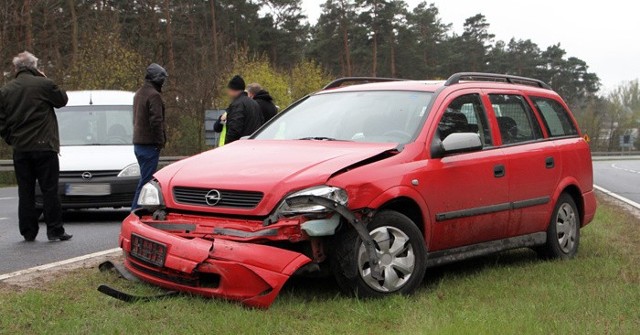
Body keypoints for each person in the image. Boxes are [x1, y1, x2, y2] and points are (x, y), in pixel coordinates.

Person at [0, 51, 71, 241]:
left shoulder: (6, 90)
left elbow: (2, 121)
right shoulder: (44, 85)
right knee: (49, 190)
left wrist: (12, 139)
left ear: (16, 68)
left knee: (25, 191)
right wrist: (46, 79)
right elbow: (62, 100)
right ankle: (55, 230)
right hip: (45, 146)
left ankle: (28, 232)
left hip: (21, 148)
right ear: (35, 67)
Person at [131, 63, 168, 210]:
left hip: (138, 144)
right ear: (157, 79)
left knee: (144, 179)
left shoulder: (139, 93)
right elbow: (156, 121)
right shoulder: (154, 95)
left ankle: (140, 211)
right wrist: (160, 141)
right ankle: (135, 212)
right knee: (146, 182)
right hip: (149, 144)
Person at [223, 75, 263, 145]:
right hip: (254, 145)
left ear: (233, 90)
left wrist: (227, 146)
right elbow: (261, 122)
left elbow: (234, 129)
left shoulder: (237, 104)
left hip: (240, 147)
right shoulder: (254, 103)